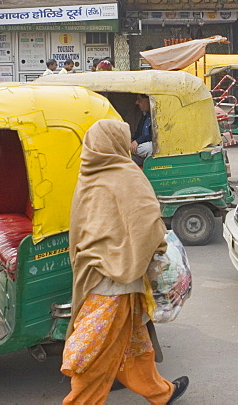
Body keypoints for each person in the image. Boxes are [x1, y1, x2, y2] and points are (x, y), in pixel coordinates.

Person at [62, 120, 189, 404]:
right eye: (127, 138)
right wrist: (158, 247)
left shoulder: (89, 174)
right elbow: (149, 224)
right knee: (97, 353)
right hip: (114, 283)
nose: (131, 144)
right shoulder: (126, 174)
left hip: (93, 272)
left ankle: (160, 393)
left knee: (133, 341)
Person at [130, 94, 154, 166]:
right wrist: (132, 141)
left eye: (140, 100)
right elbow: (138, 133)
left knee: (149, 148)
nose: (137, 102)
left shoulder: (159, 116)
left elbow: (156, 137)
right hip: (140, 150)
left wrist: (139, 140)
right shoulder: (145, 116)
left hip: (149, 148)